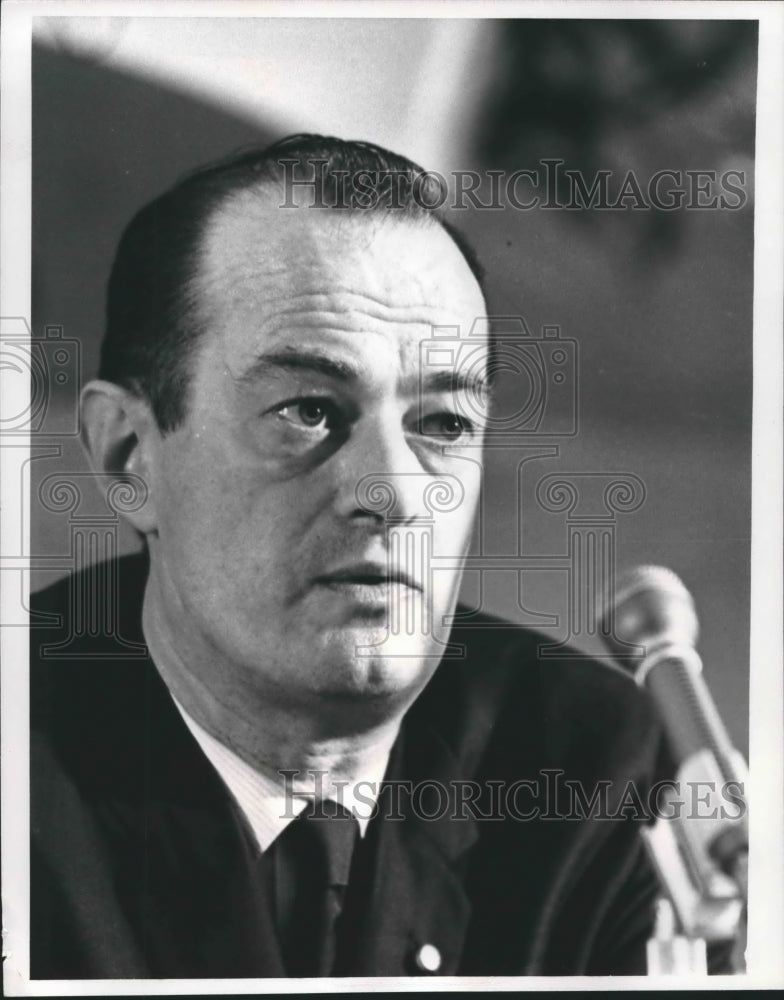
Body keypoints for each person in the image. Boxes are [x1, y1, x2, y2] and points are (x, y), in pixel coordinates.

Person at [31, 134, 671, 979]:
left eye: (443, 424)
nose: (396, 494)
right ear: (128, 456)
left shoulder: (588, 765)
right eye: (307, 410)